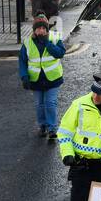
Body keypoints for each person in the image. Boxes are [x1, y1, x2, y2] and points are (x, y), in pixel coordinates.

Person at [18, 14, 65, 143]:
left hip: (53, 79)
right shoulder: (28, 43)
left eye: (43, 28)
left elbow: (60, 53)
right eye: (38, 29)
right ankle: (42, 126)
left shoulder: (54, 38)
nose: (41, 31)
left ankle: (52, 129)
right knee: (39, 104)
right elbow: (22, 61)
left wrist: (47, 44)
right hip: (36, 80)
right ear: (34, 30)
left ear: (47, 29)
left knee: (50, 103)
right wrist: (24, 77)